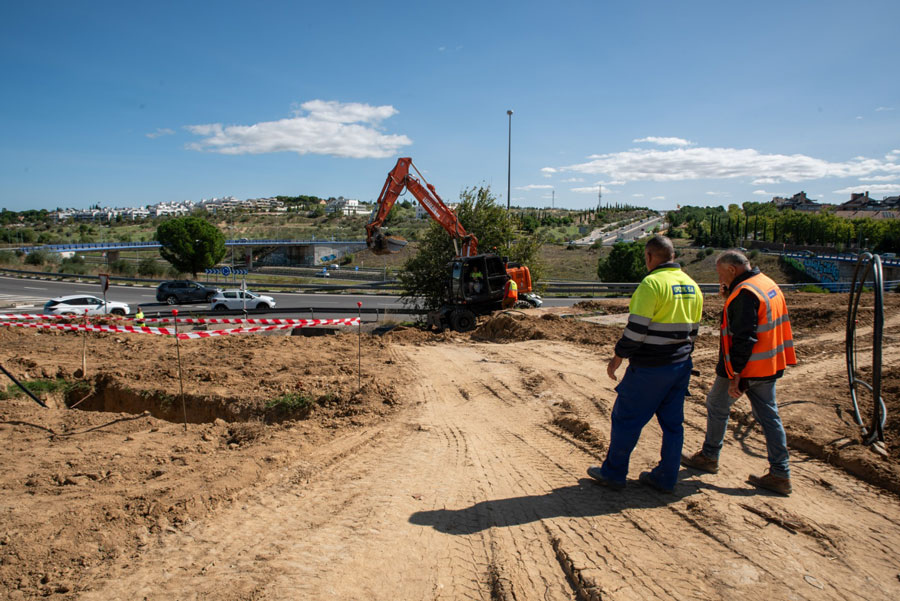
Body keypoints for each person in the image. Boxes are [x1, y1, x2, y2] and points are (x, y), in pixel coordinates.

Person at [587, 235, 703, 493]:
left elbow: (636, 330)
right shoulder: (691, 285)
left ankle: (614, 473)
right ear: (672, 256)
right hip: (680, 364)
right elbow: (693, 331)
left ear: (649, 256)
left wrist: (618, 356)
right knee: (673, 425)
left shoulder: (651, 284)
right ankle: (665, 477)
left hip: (651, 367)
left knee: (625, 418)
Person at [681, 250, 796, 495]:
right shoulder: (765, 283)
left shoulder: (745, 294)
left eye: (720, 273)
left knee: (716, 403)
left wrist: (736, 374)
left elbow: (744, 336)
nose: (719, 278)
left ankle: (709, 456)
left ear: (732, 270)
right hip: (770, 364)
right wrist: (729, 298)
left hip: (748, 367)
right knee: (769, 415)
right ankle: (780, 473)